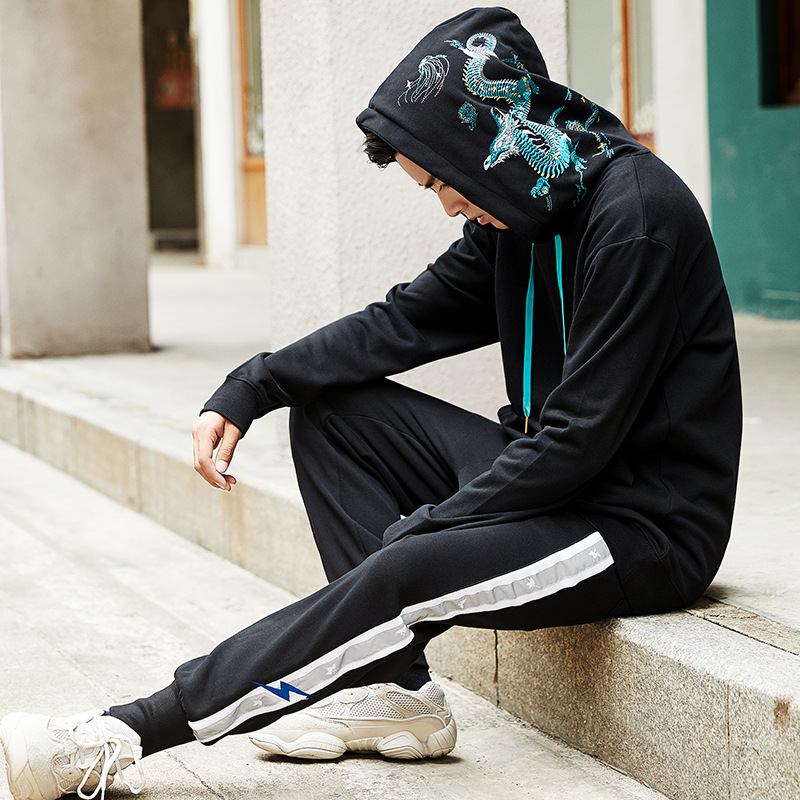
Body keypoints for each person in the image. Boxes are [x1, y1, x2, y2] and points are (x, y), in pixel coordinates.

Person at [0, 7, 742, 800]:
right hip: (562, 481)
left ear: (491, 139)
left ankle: (121, 733)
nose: (448, 206)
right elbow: (401, 323)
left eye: (444, 182)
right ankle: (397, 691)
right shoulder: (527, 214)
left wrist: (425, 533)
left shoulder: (636, 220)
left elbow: (576, 442)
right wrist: (254, 385)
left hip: (640, 526)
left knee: (406, 566)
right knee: (334, 411)